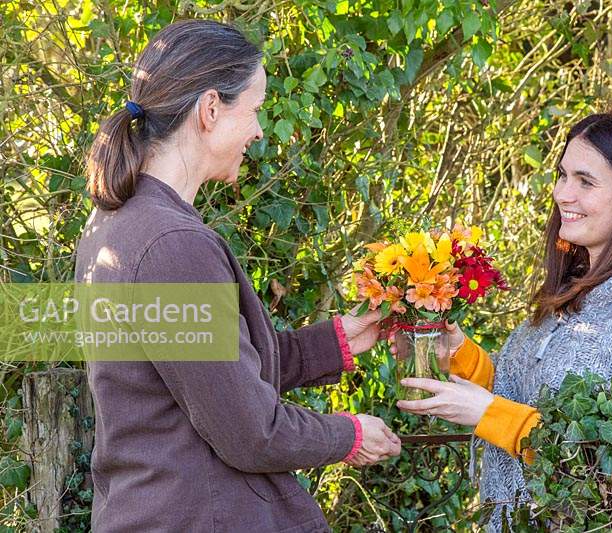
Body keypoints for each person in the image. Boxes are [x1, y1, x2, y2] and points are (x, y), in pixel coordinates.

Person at [75, 19, 400, 532]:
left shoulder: (118, 220)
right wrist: (348, 434)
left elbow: (212, 373)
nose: (258, 130)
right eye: (253, 110)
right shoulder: (172, 246)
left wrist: (336, 342)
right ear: (210, 110)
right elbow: (250, 430)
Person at [395, 108, 612, 530]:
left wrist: (489, 413)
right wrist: (461, 357)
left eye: (585, 181)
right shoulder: (578, 290)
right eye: (563, 175)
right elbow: (528, 401)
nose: (563, 193)